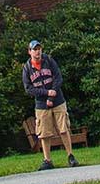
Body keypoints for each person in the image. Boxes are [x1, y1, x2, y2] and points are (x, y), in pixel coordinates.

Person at [22, 39, 79, 170]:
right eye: (34, 49)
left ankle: (71, 156)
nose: (37, 52)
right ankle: (47, 160)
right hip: (41, 104)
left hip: (58, 100)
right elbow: (28, 89)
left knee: (64, 128)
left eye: (39, 49)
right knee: (44, 133)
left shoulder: (49, 61)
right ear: (29, 52)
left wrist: (52, 96)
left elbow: (58, 77)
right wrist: (46, 93)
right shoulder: (27, 68)